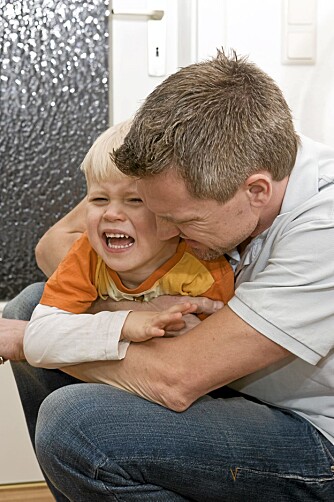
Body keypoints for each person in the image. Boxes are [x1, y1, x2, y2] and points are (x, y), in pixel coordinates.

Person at [4, 49, 334, 500]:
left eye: (182, 223)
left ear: (256, 191)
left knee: (78, 423)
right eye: (151, 210)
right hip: (231, 387)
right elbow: (55, 247)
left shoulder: (324, 227)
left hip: (315, 435)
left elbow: (177, 379)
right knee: (34, 303)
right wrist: (125, 310)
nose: (163, 232)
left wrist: (32, 341)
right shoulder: (200, 163)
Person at [24, 120, 233, 368]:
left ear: (170, 212)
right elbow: (37, 341)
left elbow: (222, 358)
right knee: (28, 300)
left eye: (134, 200)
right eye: (99, 199)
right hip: (127, 370)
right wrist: (126, 321)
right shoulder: (87, 255)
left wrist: (198, 337)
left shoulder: (206, 271)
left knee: (72, 402)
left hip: (179, 380)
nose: (111, 214)